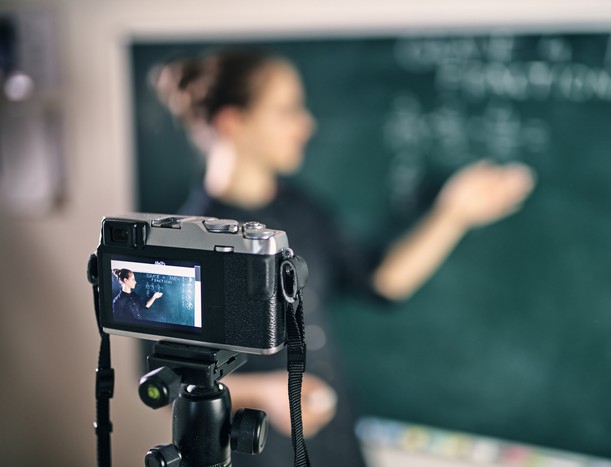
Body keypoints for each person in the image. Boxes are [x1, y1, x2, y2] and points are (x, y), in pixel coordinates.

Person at [150, 48, 535, 466]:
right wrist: (268, 391)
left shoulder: (301, 208)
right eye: (287, 110)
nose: (306, 124)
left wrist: (452, 215)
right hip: (259, 450)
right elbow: (164, 380)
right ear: (233, 122)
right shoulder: (194, 240)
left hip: (334, 442)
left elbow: (380, 282)